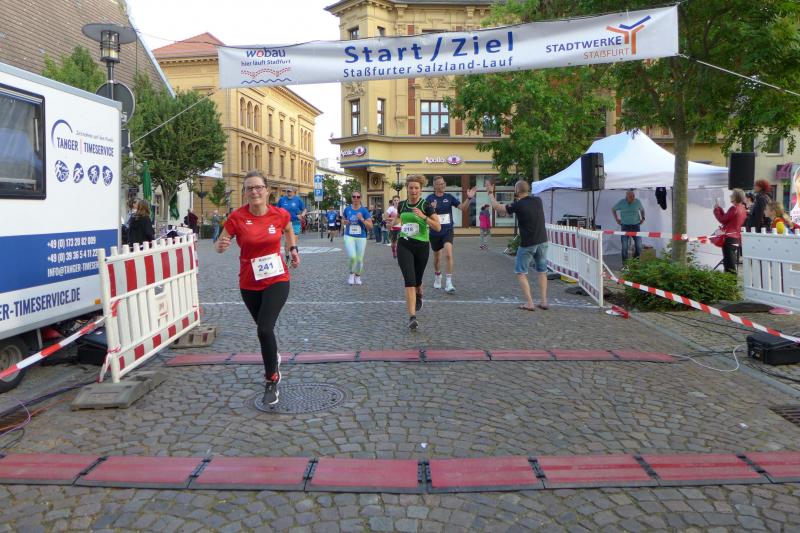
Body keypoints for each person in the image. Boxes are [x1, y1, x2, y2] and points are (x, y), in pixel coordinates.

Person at [215, 171, 300, 405]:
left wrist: (293, 250)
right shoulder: (236, 217)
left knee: (264, 329)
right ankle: (273, 358)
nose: (254, 192)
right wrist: (220, 246)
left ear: (267, 190)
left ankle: (271, 379)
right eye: (249, 188)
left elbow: (288, 229)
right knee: (265, 331)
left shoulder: (279, 214)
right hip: (249, 283)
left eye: (258, 187)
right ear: (245, 193)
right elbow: (220, 243)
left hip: (277, 279)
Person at [488, 180, 549, 312]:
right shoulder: (538, 200)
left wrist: (490, 194)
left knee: (521, 272)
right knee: (542, 271)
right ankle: (544, 301)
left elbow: (498, 208)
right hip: (542, 241)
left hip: (528, 243)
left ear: (516, 191)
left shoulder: (518, 205)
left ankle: (529, 303)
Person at [397, 175, 440, 329]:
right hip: (404, 244)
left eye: (416, 188)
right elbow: (398, 220)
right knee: (409, 280)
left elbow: (438, 227)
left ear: (420, 190)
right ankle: (412, 317)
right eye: (411, 187)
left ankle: (419, 292)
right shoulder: (401, 205)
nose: (413, 190)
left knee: (417, 281)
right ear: (407, 189)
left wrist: (424, 217)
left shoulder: (426, 205)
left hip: (421, 246)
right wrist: (391, 223)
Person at [426, 176, 477, 293]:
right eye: (440, 184)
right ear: (434, 186)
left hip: (447, 230)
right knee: (437, 258)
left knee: (448, 254)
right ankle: (438, 275)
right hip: (435, 232)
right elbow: (425, 216)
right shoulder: (429, 198)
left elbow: (463, 208)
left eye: (443, 183)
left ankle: (449, 282)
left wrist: (469, 198)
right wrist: (431, 209)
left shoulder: (449, 197)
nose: (443, 185)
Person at [713, 188, 748, 274]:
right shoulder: (742, 208)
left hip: (729, 238)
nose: (730, 196)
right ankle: (731, 279)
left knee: (729, 264)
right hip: (737, 238)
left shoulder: (734, 208)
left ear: (735, 197)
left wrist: (716, 210)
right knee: (731, 261)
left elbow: (723, 219)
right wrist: (719, 209)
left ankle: (731, 280)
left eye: (732, 195)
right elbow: (727, 219)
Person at [343, 191, 373, 285]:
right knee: (352, 257)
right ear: (351, 198)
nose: (356, 198)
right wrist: (344, 222)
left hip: (361, 237)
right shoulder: (347, 209)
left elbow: (370, 226)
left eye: (358, 197)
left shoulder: (364, 211)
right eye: (354, 196)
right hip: (349, 236)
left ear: (360, 198)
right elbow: (343, 219)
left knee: (359, 260)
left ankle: (358, 276)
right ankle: (351, 274)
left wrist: (362, 219)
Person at [611, 190, 645, 262]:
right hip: (625, 226)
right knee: (624, 247)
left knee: (639, 246)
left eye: (633, 196)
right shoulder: (622, 202)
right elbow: (613, 209)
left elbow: (642, 210)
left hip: (636, 226)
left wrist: (643, 218)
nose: (632, 198)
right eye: (630, 197)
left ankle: (635, 262)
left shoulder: (637, 202)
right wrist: (617, 219)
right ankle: (625, 265)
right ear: (626, 197)